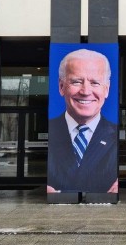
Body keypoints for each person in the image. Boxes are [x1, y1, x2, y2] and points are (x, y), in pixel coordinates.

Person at [47, 48, 118, 193]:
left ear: (107, 89)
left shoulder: (117, 136)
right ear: (61, 87)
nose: (85, 91)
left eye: (95, 83)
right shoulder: (49, 130)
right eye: (77, 82)